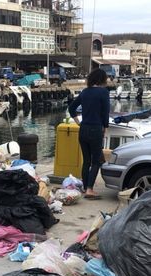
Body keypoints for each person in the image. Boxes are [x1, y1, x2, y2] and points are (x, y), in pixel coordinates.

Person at [67, 68, 110, 199]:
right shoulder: (103, 92)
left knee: (86, 161)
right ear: (102, 79)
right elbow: (105, 112)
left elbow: (71, 108)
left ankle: (86, 187)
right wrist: (105, 128)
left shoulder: (85, 92)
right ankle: (90, 190)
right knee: (96, 161)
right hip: (95, 129)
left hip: (83, 129)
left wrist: (77, 122)